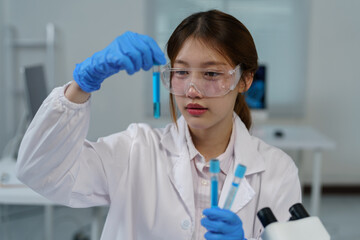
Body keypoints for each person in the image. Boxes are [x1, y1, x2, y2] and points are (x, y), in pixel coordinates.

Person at [16, 9, 301, 240]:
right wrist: (81, 85)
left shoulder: (277, 170)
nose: (192, 90)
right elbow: (39, 173)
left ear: (245, 80)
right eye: (181, 72)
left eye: (212, 73)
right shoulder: (135, 150)